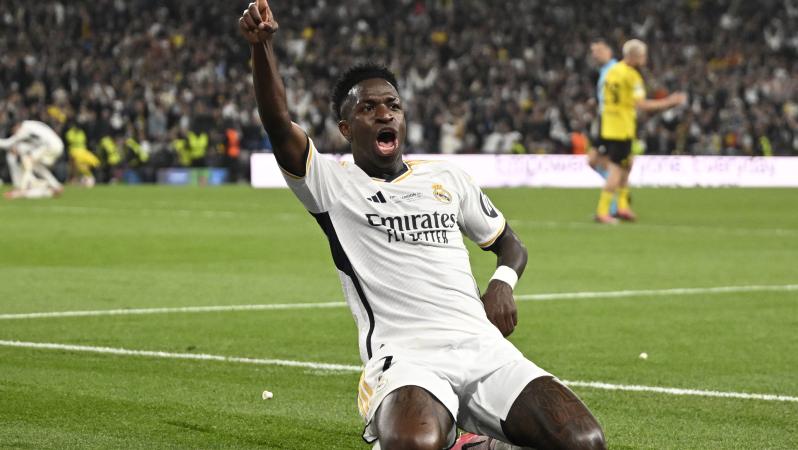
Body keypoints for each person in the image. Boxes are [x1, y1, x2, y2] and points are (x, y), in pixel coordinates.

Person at [239, 2, 606, 449]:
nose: (384, 114)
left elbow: (510, 244)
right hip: (407, 358)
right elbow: (279, 125)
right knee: (415, 444)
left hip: (483, 348)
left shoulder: (447, 179)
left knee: (584, 440)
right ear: (345, 128)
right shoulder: (332, 184)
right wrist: (263, 47)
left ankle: (474, 442)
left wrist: (503, 283)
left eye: (392, 105)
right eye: (368, 108)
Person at [594, 39, 687, 224]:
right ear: (635, 56)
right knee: (617, 170)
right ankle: (603, 211)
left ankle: (622, 207)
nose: (645, 58)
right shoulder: (632, 76)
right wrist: (670, 102)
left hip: (608, 125)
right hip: (622, 128)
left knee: (627, 165)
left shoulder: (612, 71)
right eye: (643, 55)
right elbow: (641, 104)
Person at [587, 38, 618, 215]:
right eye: (593, 52)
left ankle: (612, 207)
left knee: (602, 162)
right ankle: (617, 200)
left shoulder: (614, 70)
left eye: (598, 50)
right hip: (603, 122)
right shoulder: (604, 71)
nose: (595, 55)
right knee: (597, 162)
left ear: (609, 51)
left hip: (610, 124)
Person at [0, 120, 65, 199]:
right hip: (57, 144)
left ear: (16, 126)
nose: (14, 133)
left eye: (13, 131)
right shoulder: (29, 123)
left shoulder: (22, 130)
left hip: (50, 146)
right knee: (36, 165)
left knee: (28, 161)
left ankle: (22, 188)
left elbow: (8, 143)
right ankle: (55, 185)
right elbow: (37, 138)